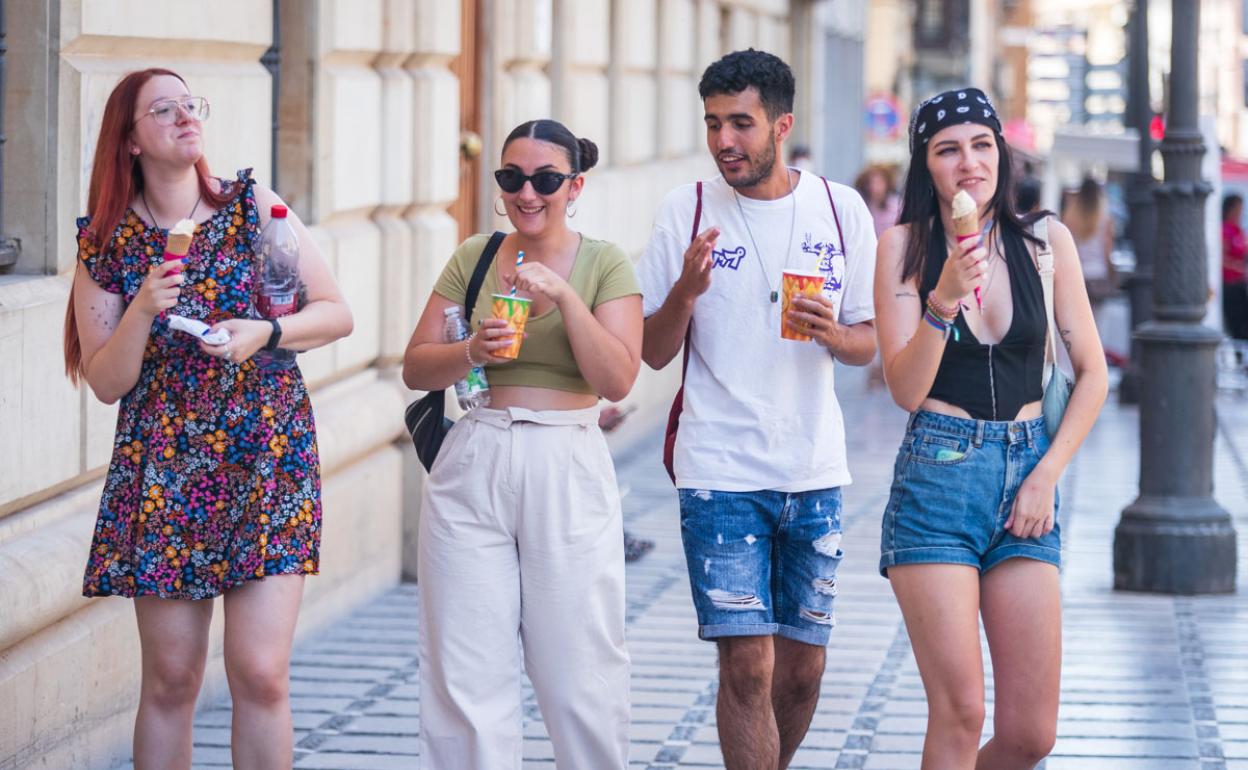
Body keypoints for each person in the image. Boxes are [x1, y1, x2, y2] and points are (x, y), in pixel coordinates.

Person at [62, 68, 353, 770]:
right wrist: (142, 308)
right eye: (163, 110)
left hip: (266, 459)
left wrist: (267, 333)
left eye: (192, 104)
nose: (186, 118)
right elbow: (105, 382)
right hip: (163, 473)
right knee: (171, 681)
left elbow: (334, 312)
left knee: (260, 672)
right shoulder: (108, 244)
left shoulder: (255, 209)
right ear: (129, 141)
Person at [638, 49, 878, 769]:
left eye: (740, 123)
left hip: (814, 468)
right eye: (713, 123)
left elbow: (869, 345)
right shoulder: (687, 210)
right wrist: (685, 290)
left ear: (782, 125)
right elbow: (652, 352)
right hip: (719, 470)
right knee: (747, 666)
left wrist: (836, 333)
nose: (723, 141)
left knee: (803, 671)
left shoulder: (840, 209)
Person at [874, 87, 1107, 769]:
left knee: (1032, 732)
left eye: (981, 146)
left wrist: (1046, 477)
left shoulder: (1044, 242)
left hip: (1029, 475)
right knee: (960, 710)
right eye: (948, 150)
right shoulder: (903, 249)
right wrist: (942, 301)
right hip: (938, 479)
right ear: (927, 167)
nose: (968, 163)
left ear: (1002, 157)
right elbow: (905, 389)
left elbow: (1092, 373)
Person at [402, 119, 642, 770]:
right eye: (512, 178)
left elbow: (618, 376)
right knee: (464, 671)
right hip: (475, 452)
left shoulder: (604, 262)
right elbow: (416, 366)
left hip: (565, 454)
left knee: (580, 670)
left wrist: (564, 297)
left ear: (575, 186)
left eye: (545, 179)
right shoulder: (475, 254)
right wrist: (470, 349)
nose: (527, 193)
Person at [1061, 175, 1116, 313]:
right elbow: (1107, 249)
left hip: (1076, 272)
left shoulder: (1070, 214)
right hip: (1098, 274)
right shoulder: (1104, 216)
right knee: (1096, 321)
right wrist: (1111, 271)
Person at [1222, 193, 1248, 340]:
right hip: (1230, 284)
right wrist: (1239, 268)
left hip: (1240, 284)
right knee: (1236, 323)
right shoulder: (1225, 230)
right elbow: (1222, 258)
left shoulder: (1239, 230)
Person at [854, 163, 901, 238]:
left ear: (887, 183)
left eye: (878, 182)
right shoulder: (862, 206)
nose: (874, 187)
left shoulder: (897, 206)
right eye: (870, 183)